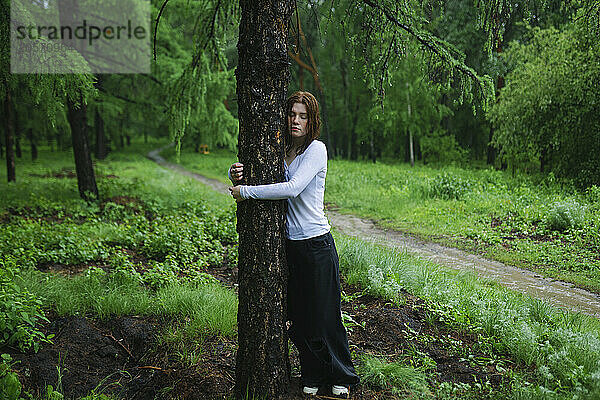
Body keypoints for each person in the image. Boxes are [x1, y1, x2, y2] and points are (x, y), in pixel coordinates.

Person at [228, 91, 359, 397]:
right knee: (300, 318)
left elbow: (292, 188)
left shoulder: (316, 150)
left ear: (312, 120)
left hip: (317, 245)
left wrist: (246, 192)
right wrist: (234, 174)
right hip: (290, 247)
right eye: (292, 115)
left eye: (303, 116)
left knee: (326, 317)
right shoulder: (281, 148)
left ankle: (342, 376)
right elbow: (259, 171)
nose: (296, 121)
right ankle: (312, 374)